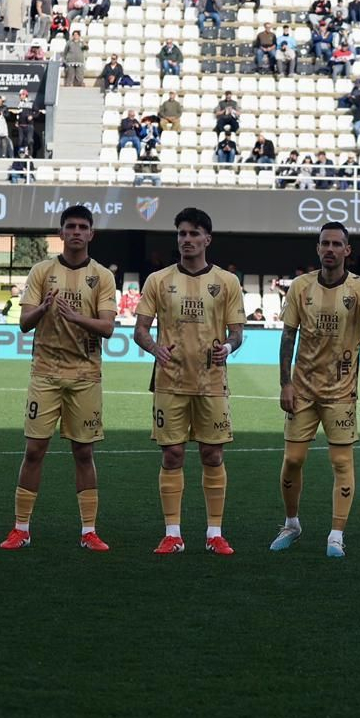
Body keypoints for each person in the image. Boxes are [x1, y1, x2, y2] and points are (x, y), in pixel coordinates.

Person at [0, 206, 118, 552]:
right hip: (45, 374)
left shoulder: (102, 276)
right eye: (71, 226)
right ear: (61, 233)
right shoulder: (42, 271)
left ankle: (89, 531)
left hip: (85, 376)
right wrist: (43, 308)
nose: (76, 232)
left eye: (83, 227)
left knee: (83, 452)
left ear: (91, 233)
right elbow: (24, 323)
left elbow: (108, 327)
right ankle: (21, 529)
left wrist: (75, 317)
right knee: (34, 450)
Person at [134, 208, 246, 556]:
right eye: (182, 233)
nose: (187, 239)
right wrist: (155, 348)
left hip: (211, 382)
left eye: (194, 233)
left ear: (207, 239)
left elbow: (237, 333)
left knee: (213, 454)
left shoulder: (227, 282)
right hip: (170, 381)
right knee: (172, 454)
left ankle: (215, 533)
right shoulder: (158, 280)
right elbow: (140, 330)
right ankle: (173, 534)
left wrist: (228, 347)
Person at [269, 222, 360, 558]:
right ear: (318, 248)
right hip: (303, 390)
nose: (330, 249)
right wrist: (285, 383)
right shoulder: (300, 287)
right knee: (292, 459)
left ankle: (336, 534)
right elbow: (288, 337)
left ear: (347, 250)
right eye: (325, 243)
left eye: (336, 244)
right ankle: (291, 524)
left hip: (341, 392)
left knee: (341, 462)